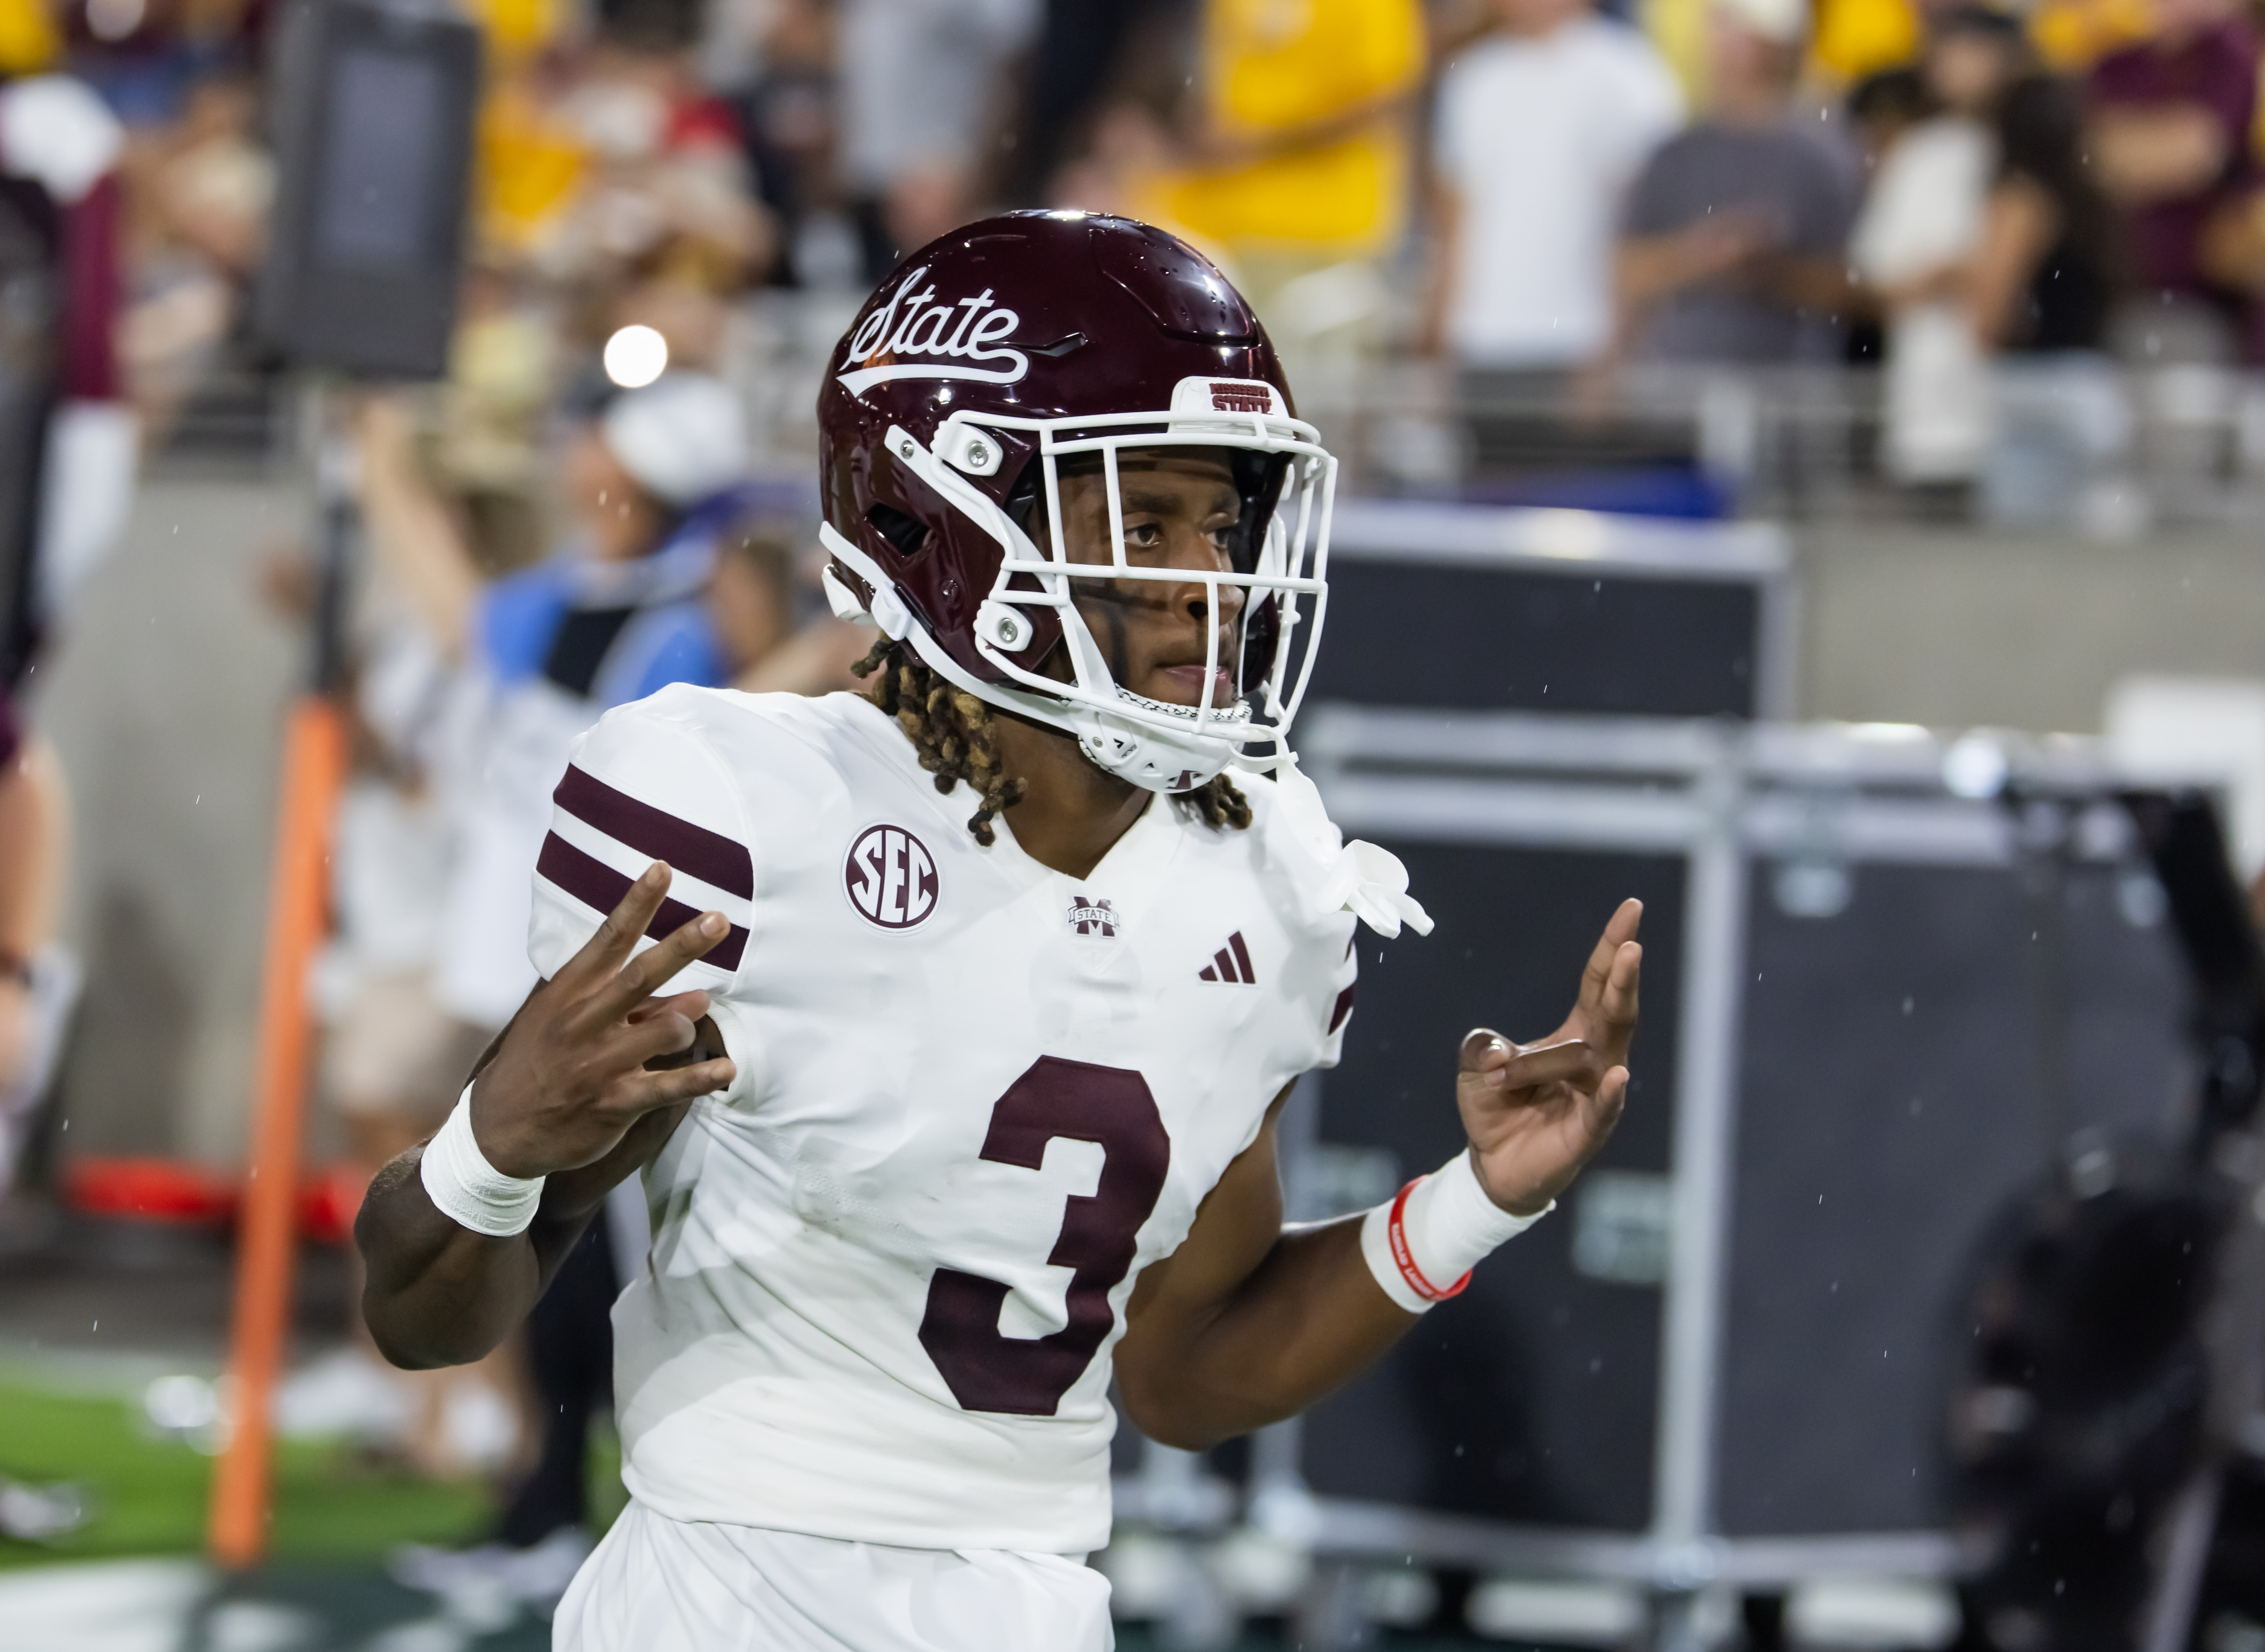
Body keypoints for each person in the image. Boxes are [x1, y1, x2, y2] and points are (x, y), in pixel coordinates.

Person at [355, 211, 1644, 1647]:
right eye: (1140, 519)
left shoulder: (1262, 875)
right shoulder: (746, 808)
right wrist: (488, 1148)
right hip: (726, 1599)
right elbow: (424, 1316)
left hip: (1030, 1600)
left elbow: (1180, 1366)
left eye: (1222, 523)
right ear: (937, 520)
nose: (1206, 583)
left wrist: (1473, 1197)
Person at [1606, 0, 1863, 367]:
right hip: (1678, 394)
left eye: (1741, 32)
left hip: (1789, 391)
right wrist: (1700, 255)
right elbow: (1625, 272)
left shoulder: (1824, 158)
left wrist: (1770, 270)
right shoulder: (1673, 155)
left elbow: (1856, 288)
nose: (1728, 44)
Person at [2088, 0, 2258, 351]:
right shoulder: (2115, 61)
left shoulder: (2230, 51)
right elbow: (2089, 162)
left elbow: (2195, 154)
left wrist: (2126, 142)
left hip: (2212, 301)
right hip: (2122, 288)